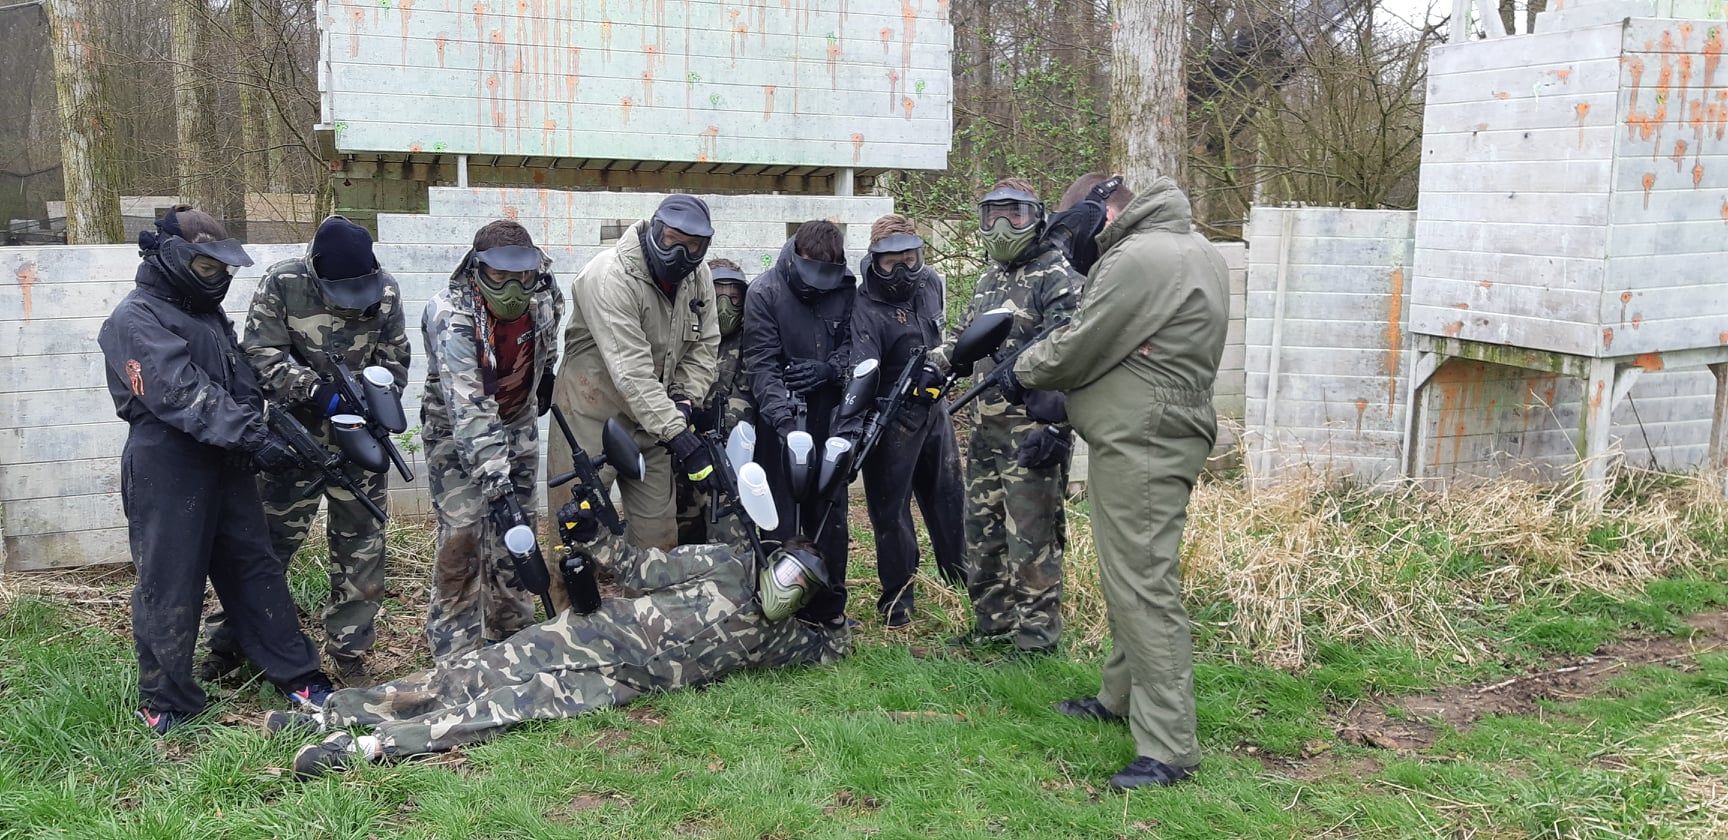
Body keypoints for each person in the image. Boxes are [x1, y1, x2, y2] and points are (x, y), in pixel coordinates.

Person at [268, 503, 851, 779]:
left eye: (805, 589)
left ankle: (364, 750)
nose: (792, 590)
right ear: (772, 562)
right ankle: (328, 713)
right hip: (589, 632)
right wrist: (594, 533)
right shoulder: (725, 563)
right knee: (471, 672)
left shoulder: (779, 638)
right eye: (791, 575)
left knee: (498, 709)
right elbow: (641, 568)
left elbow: (835, 647)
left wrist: (835, 607)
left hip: (613, 683)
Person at [1010, 176, 1229, 789]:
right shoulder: (1193, 248)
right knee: (1130, 571)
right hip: (1149, 432)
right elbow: (1129, 350)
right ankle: (1120, 696)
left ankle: (1169, 748)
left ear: (1103, 210)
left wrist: (1023, 372)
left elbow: (1081, 344)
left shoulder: (1140, 257)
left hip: (1146, 439)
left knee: (1143, 582)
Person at [97, 206, 333, 734]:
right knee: (170, 579)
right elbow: (178, 390)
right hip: (167, 461)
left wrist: (266, 430)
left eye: (225, 269)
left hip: (225, 456)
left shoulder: (204, 315)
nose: (220, 279)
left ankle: (297, 675)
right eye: (209, 268)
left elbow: (237, 380)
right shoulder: (135, 317)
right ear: (172, 258)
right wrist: (253, 436)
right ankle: (167, 701)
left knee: (255, 567)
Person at [199, 215, 410, 685]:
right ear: (316, 271)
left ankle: (350, 651)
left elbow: (395, 361)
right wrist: (313, 391)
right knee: (264, 546)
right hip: (290, 438)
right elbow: (257, 352)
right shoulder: (284, 282)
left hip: (359, 440)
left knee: (362, 547)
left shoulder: (386, 291)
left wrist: (375, 403)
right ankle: (226, 645)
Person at [930, 179, 1083, 654]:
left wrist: (1058, 429)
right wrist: (932, 362)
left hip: (1032, 432)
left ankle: (1036, 641)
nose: (1001, 224)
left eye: (1014, 214)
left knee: (1032, 539)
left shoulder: (1058, 275)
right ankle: (990, 627)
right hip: (985, 430)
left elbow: (1073, 352)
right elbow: (964, 338)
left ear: (1036, 216)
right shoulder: (990, 277)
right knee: (982, 532)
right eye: (991, 213)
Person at [421, 220, 565, 661]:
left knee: (515, 527)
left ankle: (511, 630)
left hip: (517, 416)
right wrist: (494, 479)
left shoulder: (543, 291)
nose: (513, 287)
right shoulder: (451, 313)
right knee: (464, 531)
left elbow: (549, 332)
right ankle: (455, 645)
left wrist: (544, 379)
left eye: (520, 275)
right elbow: (470, 408)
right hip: (456, 428)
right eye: (500, 277)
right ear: (478, 269)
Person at [550, 195, 720, 553]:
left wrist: (685, 400)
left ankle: (649, 607)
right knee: (576, 531)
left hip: (652, 422)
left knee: (658, 539)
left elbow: (705, 346)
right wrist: (679, 434)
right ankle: (567, 608)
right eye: (672, 240)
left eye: (694, 246)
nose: (681, 255)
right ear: (655, 229)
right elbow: (630, 371)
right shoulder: (610, 275)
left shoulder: (699, 276)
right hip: (591, 414)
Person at [835, 215, 966, 626]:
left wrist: (941, 370)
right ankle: (898, 597)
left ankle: (959, 579)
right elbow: (862, 367)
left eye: (910, 258)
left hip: (934, 405)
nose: (904, 269)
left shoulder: (932, 284)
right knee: (890, 512)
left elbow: (946, 338)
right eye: (892, 261)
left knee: (948, 496)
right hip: (889, 415)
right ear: (875, 260)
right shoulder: (864, 304)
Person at [741, 221, 855, 625]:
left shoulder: (845, 289)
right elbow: (761, 364)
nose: (817, 286)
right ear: (795, 257)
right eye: (811, 274)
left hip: (830, 418)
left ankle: (828, 608)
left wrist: (831, 370)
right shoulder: (765, 292)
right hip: (780, 424)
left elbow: (854, 347)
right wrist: (786, 427)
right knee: (779, 517)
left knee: (830, 516)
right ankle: (780, 608)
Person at [675, 257, 753, 546]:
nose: (725, 305)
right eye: (718, 295)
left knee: (731, 544)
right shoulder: (684, 337)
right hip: (685, 455)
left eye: (734, 297)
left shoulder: (753, 340)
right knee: (683, 541)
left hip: (732, 464)